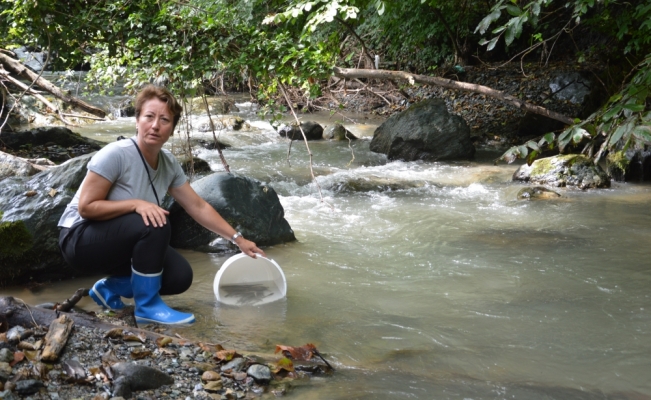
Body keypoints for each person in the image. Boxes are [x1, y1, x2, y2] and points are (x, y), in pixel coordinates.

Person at [58, 84, 264, 325]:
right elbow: (87, 207)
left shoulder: (168, 163)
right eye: (149, 117)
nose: (155, 125)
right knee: (154, 219)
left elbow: (197, 206)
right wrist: (136, 204)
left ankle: (108, 289)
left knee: (179, 276)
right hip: (79, 239)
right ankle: (146, 307)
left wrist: (239, 239)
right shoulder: (115, 154)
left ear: (172, 129)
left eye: (164, 120)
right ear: (137, 120)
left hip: (119, 241)